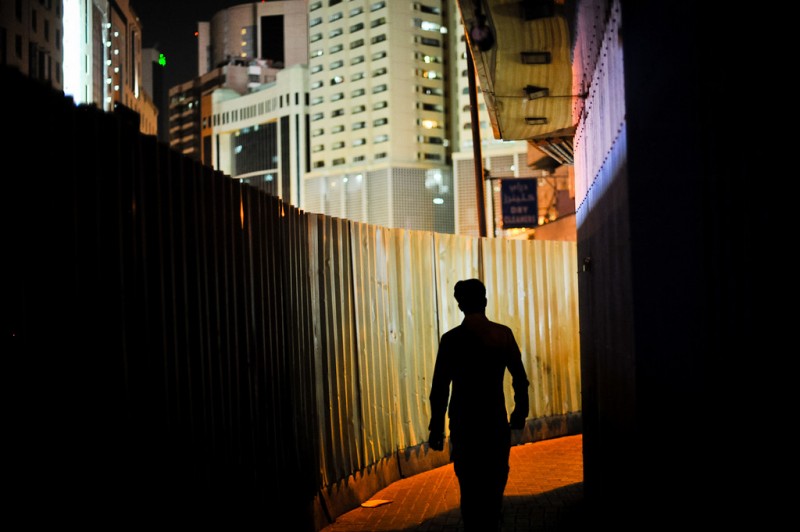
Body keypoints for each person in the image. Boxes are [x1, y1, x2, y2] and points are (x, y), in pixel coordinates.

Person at [428, 278, 530, 532]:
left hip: (464, 424)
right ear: (485, 301)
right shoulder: (502, 334)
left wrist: (436, 429)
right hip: (495, 422)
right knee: (495, 484)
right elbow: (520, 378)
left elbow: (440, 388)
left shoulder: (450, 340)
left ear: (460, 305)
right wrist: (519, 413)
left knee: (470, 487)